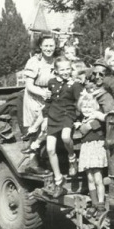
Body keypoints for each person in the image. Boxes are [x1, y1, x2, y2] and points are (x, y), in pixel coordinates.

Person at [74, 69, 114, 218]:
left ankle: (101, 204)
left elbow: (90, 128)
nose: (86, 110)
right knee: (89, 178)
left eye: (89, 107)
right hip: (86, 149)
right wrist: (79, 125)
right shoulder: (84, 120)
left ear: (95, 107)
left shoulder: (96, 120)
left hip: (96, 148)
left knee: (98, 178)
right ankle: (93, 201)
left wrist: (85, 125)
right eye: (84, 107)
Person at [41, 56, 83, 198]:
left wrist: (78, 119)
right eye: (62, 69)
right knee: (50, 149)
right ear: (56, 71)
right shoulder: (51, 83)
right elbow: (48, 101)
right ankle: (59, 180)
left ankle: (72, 159)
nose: (65, 72)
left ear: (71, 69)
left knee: (66, 137)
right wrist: (45, 117)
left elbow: (80, 102)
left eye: (67, 69)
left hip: (67, 114)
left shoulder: (75, 84)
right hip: (53, 116)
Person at [23, 34, 56, 131]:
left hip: (51, 96)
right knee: (40, 122)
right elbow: (29, 85)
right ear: (40, 46)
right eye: (46, 46)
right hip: (35, 96)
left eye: (51, 46)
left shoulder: (56, 61)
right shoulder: (34, 61)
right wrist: (43, 93)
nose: (49, 49)